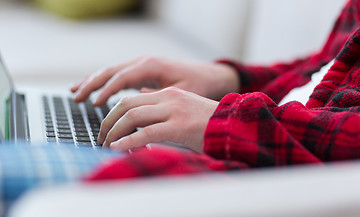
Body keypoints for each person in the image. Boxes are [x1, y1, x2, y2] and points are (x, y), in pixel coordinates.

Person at [69, 0, 360, 181]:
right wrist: (229, 78)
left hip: (277, 185)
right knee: (78, 122)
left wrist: (222, 120)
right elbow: (325, 68)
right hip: (256, 145)